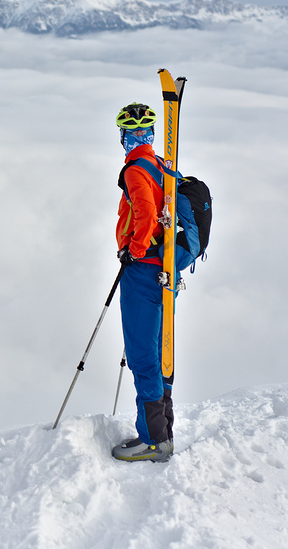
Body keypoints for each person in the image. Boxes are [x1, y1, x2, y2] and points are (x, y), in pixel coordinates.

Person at [111, 102, 174, 463]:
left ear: (123, 136)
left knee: (141, 353)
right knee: (159, 348)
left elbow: (147, 214)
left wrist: (133, 250)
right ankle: (163, 430)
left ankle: (152, 439)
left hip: (143, 269)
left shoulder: (136, 170)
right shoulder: (160, 164)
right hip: (163, 269)